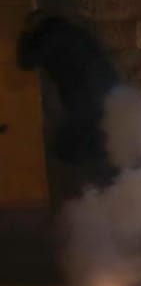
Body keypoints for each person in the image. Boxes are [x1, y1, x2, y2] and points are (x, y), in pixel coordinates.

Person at [16, 11, 120, 185]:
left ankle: (94, 193)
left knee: (73, 151)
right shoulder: (77, 33)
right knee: (99, 147)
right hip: (107, 95)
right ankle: (111, 191)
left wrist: (25, 33)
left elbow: (27, 61)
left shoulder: (50, 36)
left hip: (83, 100)